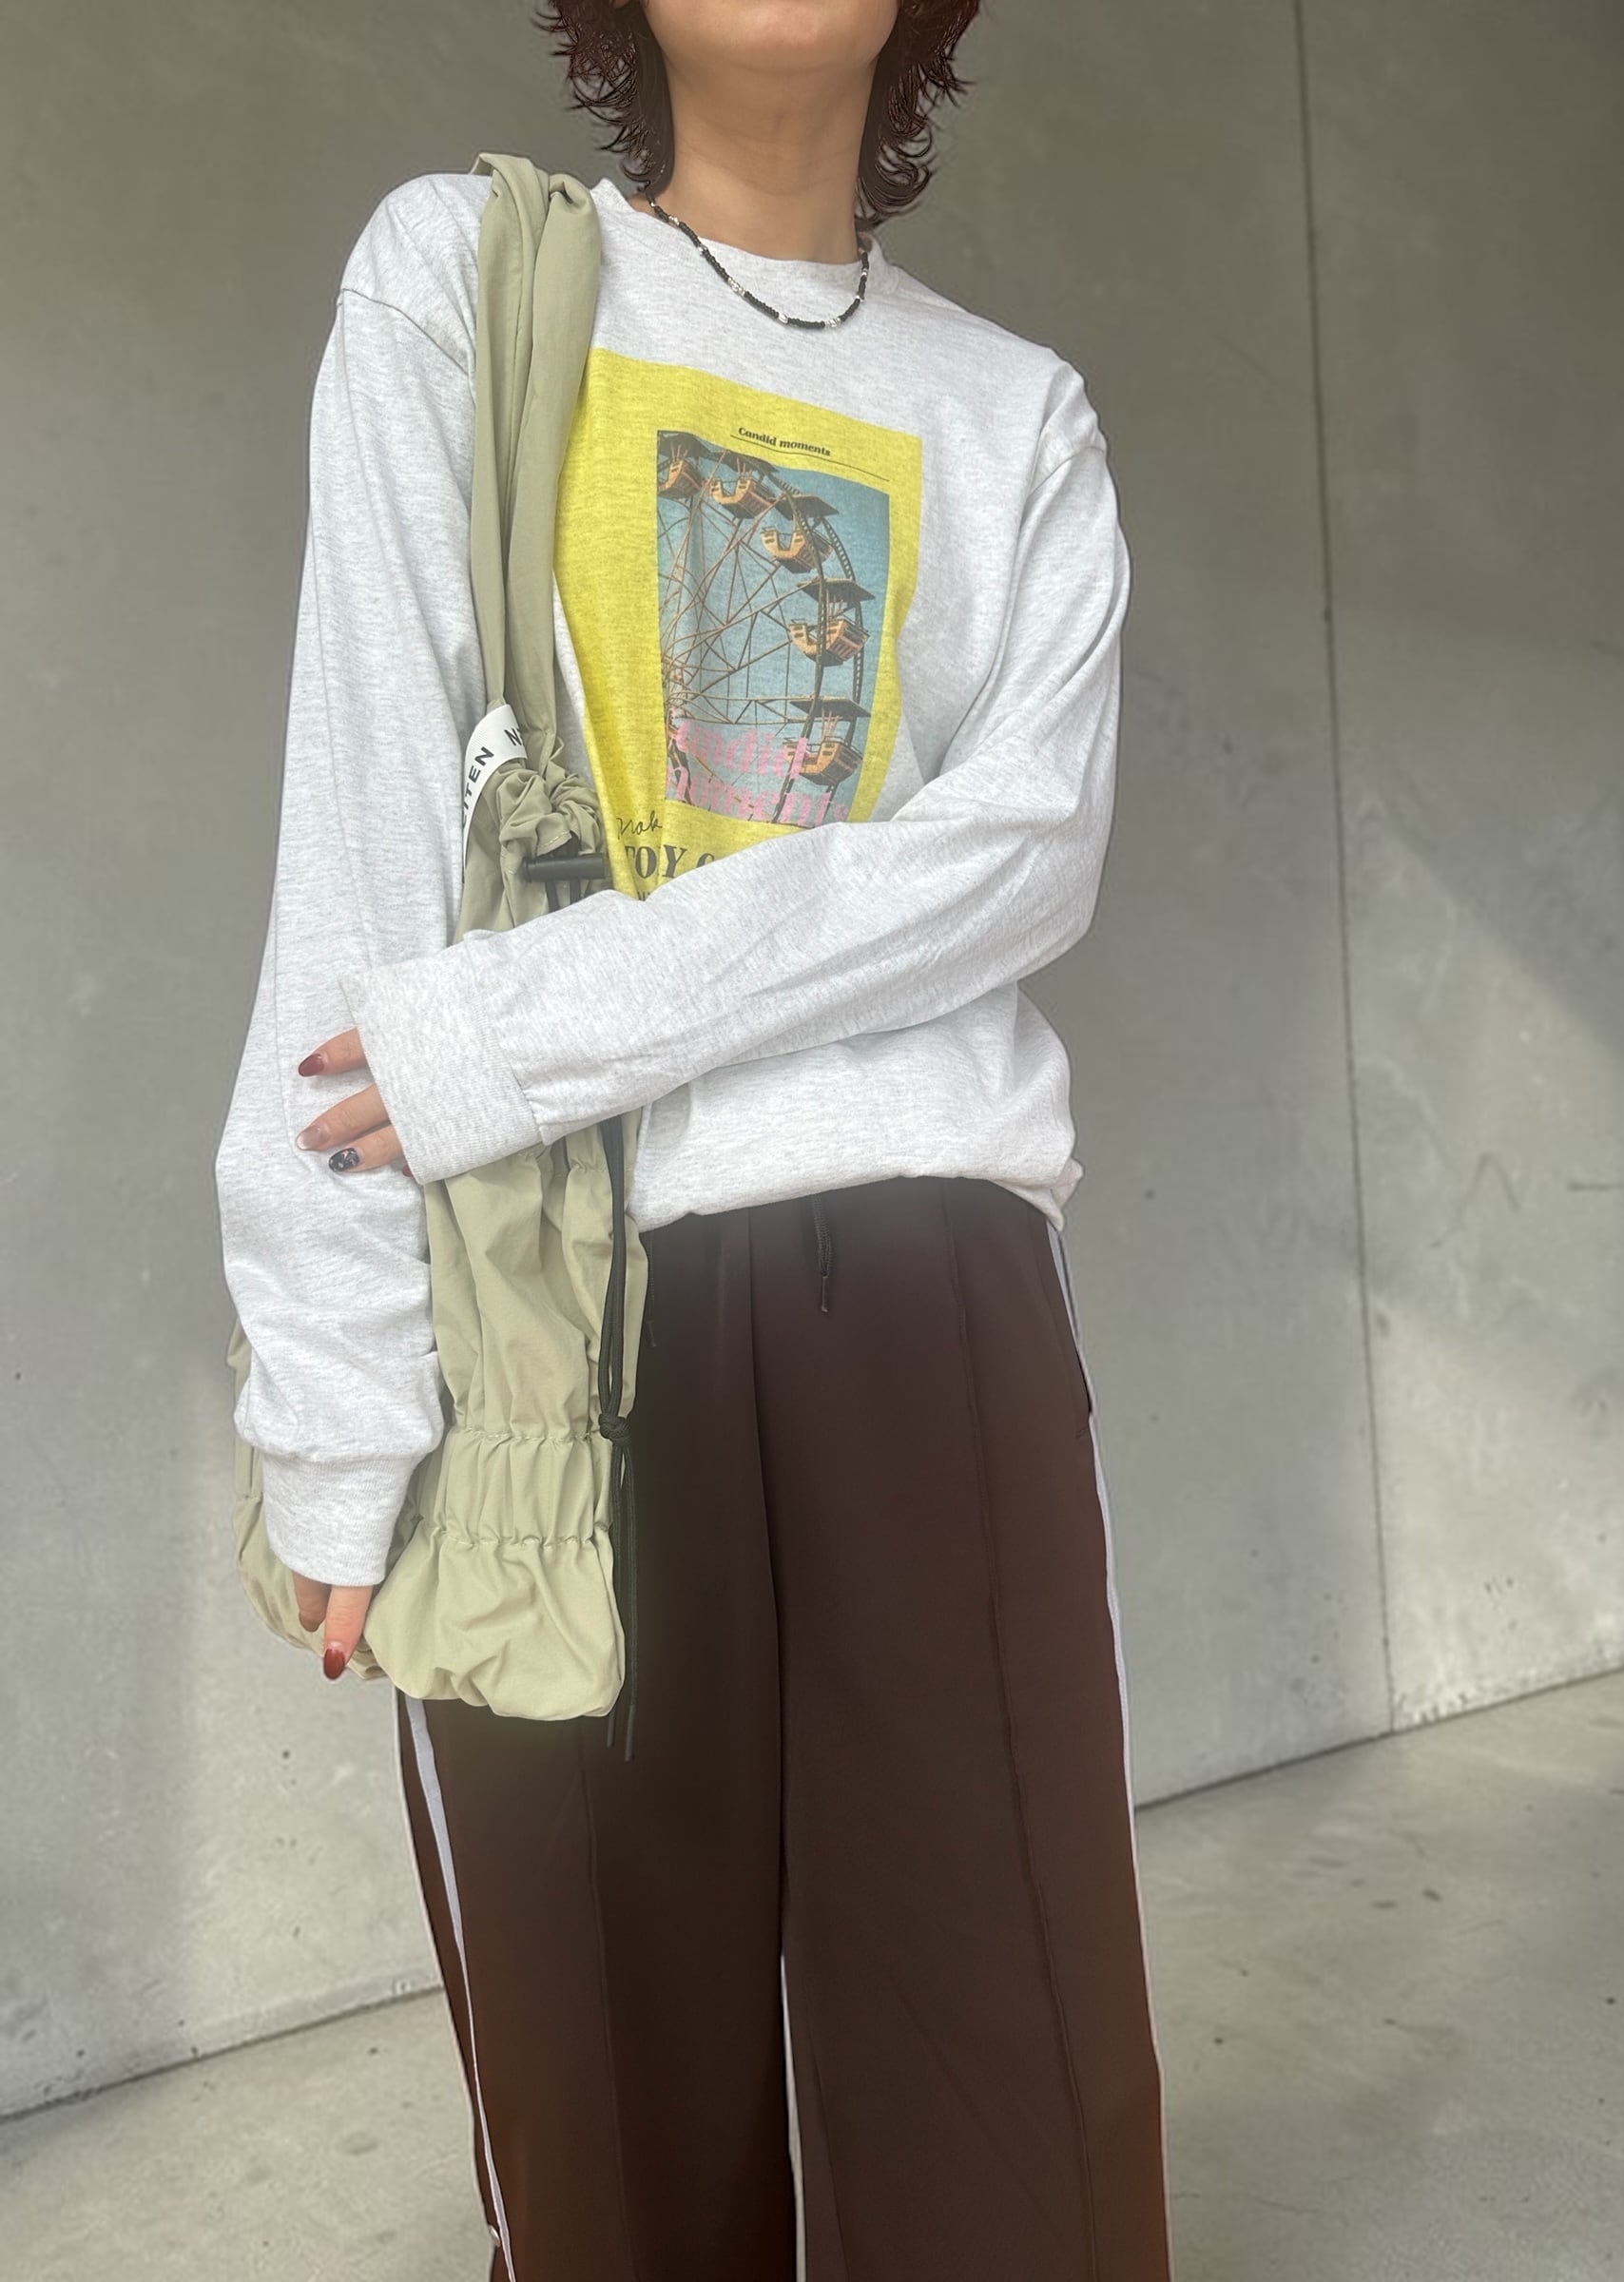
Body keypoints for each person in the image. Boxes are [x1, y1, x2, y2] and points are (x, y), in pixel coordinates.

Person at [214, 1, 1173, 2274]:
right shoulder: (465, 280)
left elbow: (1023, 859)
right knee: (613, 2143)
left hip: (930, 1301)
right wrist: (338, 1403)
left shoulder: (1017, 413)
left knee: (1010, 2115)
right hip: (561, 1315)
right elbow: (357, 862)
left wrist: (531, 1023)